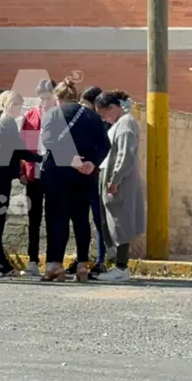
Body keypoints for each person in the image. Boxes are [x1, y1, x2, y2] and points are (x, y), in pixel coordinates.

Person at [39, 78, 111, 282]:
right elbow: (105, 145)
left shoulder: (53, 113)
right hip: (85, 174)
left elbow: (48, 140)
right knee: (81, 218)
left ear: (58, 97)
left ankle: (55, 265)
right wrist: (92, 163)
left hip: (58, 173)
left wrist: (70, 159)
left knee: (57, 218)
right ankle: (82, 265)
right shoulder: (92, 115)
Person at [0, 91, 43, 279]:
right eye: (16, 105)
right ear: (9, 104)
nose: (19, 109)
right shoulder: (7, 122)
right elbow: (19, 149)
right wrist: (41, 158)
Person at [93, 90, 145, 281]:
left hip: (119, 182)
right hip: (113, 179)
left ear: (112, 108)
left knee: (120, 222)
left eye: (104, 114)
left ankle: (121, 267)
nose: (103, 119)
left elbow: (125, 155)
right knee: (115, 222)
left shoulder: (126, 124)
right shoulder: (120, 124)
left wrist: (115, 180)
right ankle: (117, 265)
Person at [18, 79, 56, 277]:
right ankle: (32, 260)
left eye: (48, 98)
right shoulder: (31, 115)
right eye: (42, 98)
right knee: (34, 218)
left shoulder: (59, 116)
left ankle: (51, 260)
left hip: (54, 173)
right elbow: (21, 145)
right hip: (34, 172)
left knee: (52, 218)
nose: (44, 102)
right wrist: (21, 171)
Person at [69, 85, 108, 277]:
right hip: (82, 174)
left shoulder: (101, 123)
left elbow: (104, 147)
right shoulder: (84, 121)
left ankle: (101, 260)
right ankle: (81, 258)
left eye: (85, 104)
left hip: (97, 176)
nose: (81, 107)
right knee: (81, 219)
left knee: (99, 219)